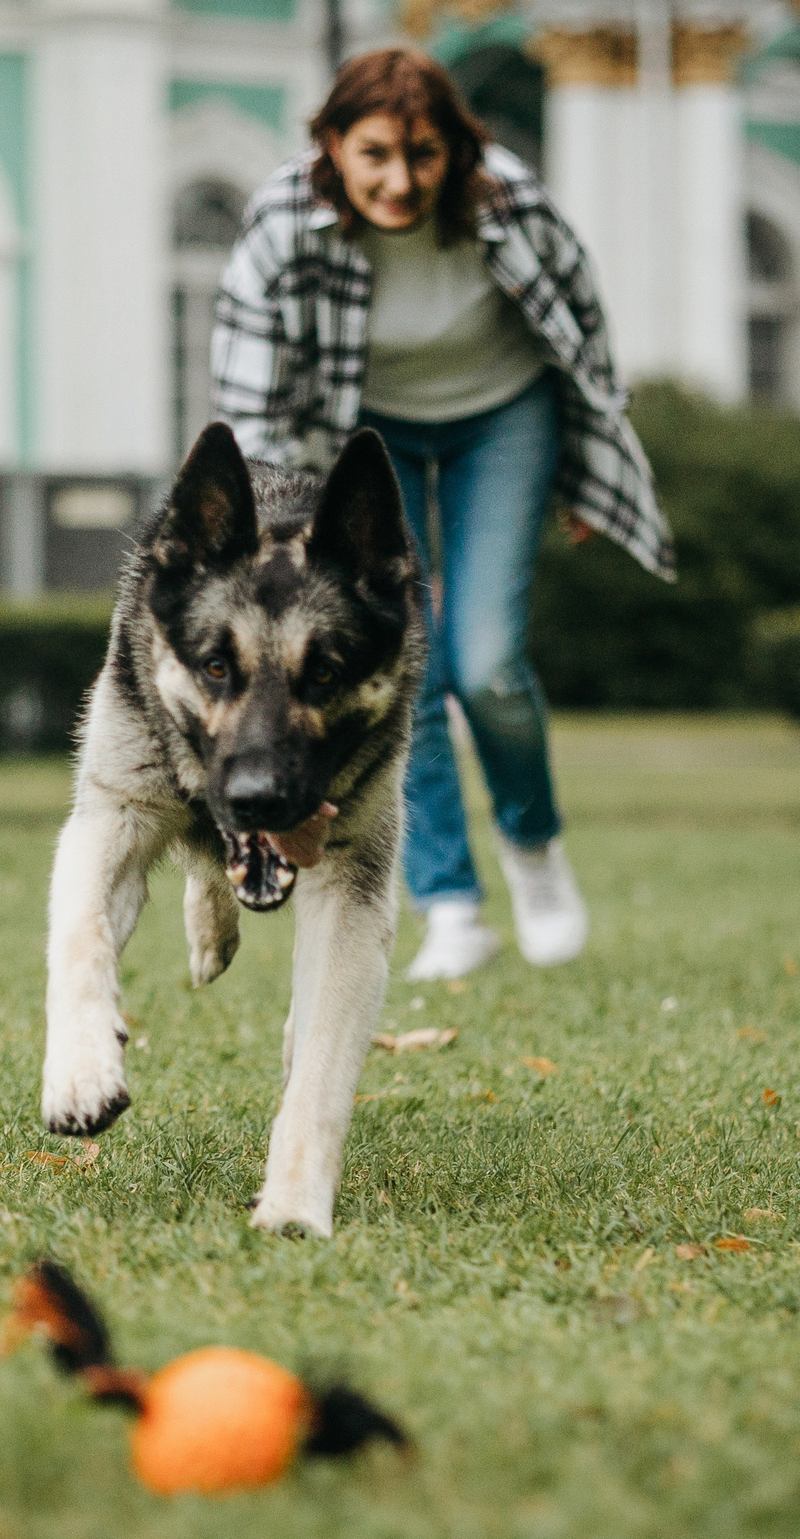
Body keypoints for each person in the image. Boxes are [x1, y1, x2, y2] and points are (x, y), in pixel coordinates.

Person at [209, 47, 671, 981]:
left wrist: (588, 469)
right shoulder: (285, 223)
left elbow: (584, 331)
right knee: (393, 657)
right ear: (332, 144)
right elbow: (249, 382)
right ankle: (450, 903)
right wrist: (268, 518)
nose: (400, 180)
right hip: (363, 427)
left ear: (458, 151)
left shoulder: (507, 204)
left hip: (502, 415)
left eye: (424, 156)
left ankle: (534, 847)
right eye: (374, 153)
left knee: (489, 658)